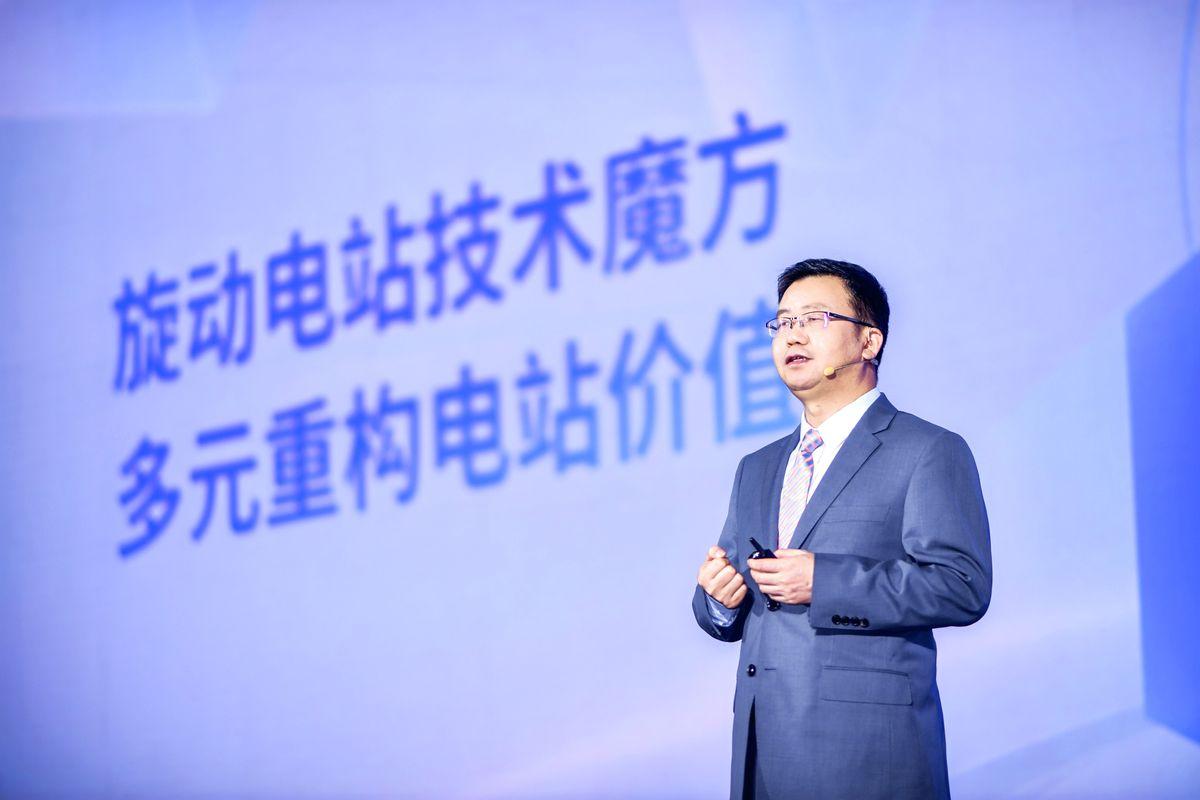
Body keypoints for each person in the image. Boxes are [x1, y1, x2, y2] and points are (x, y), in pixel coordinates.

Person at [692, 258, 992, 800]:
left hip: (868, 753)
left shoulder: (926, 449)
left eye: (814, 318)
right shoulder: (757, 467)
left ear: (868, 340)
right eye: (783, 322)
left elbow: (961, 585)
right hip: (763, 750)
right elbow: (733, 597)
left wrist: (825, 582)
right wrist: (719, 597)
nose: (792, 335)